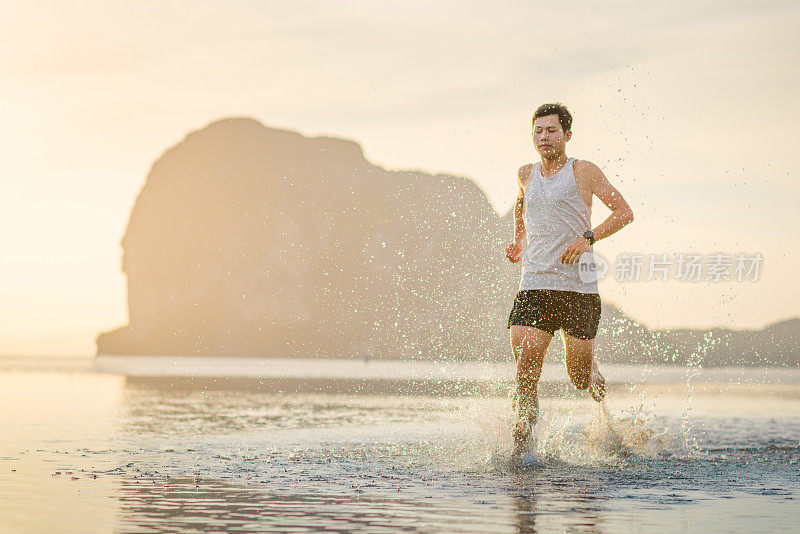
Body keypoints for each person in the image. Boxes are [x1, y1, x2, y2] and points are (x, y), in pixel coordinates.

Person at [504, 103, 634, 461]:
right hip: (534, 281)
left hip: (578, 288)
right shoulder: (525, 174)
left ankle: (591, 372)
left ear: (567, 135)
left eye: (551, 131)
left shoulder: (584, 171)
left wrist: (588, 238)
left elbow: (624, 212)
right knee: (526, 364)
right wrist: (519, 240)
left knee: (578, 379)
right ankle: (522, 447)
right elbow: (520, 205)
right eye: (538, 131)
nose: (544, 137)